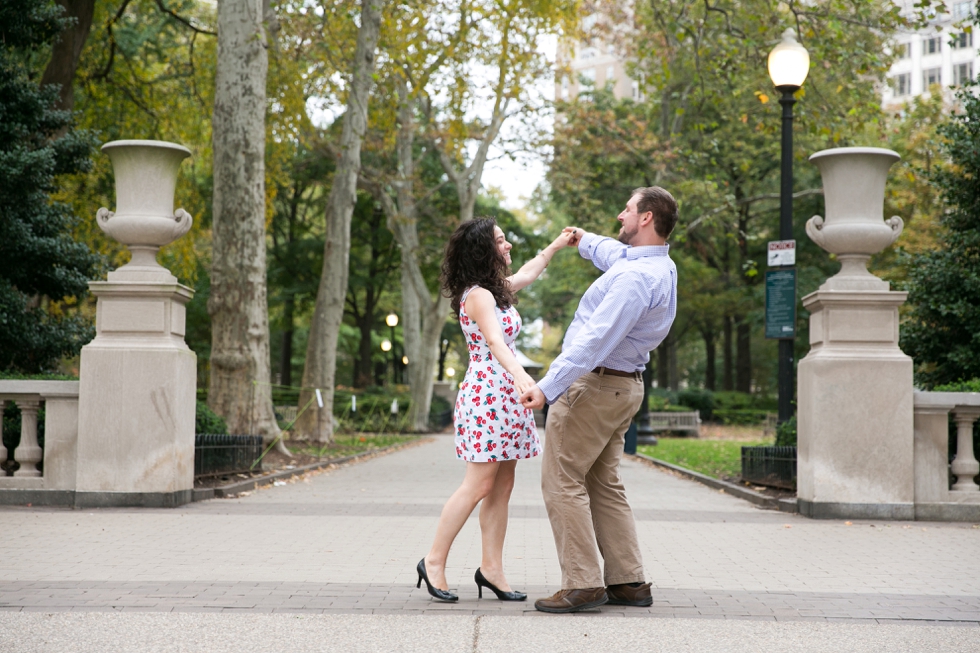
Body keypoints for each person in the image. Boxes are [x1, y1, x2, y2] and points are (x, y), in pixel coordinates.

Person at [520, 186, 678, 613]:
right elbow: (614, 253)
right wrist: (583, 240)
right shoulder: (657, 265)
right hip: (623, 389)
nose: (619, 215)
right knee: (604, 484)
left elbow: (593, 340)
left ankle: (583, 583)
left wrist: (548, 386)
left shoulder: (633, 280)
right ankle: (628, 581)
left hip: (593, 387)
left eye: (627, 209)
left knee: (562, 481)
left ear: (646, 218)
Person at [416, 217, 578, 602]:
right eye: (501, 241)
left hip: (507, 397)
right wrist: (523, 377)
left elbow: (528, 272)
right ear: (483, 250)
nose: (508, 246)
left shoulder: (497, 290)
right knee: (478, 485)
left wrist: (556, 244)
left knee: (502, 487)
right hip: (488, 395)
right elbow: (495, 341)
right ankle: (433, 561)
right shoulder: (478, 295)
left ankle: (492, 570)